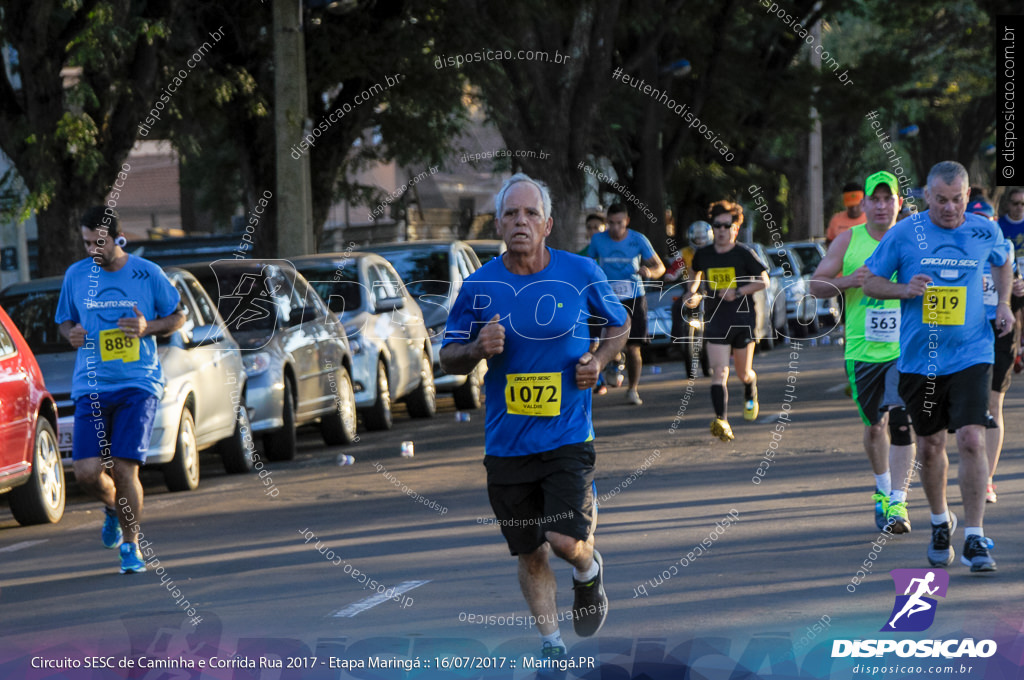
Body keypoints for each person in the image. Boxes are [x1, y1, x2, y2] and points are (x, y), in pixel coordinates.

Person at [440, 173, 629, 659]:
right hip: (506, 444)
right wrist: (477, 347)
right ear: (499, 224)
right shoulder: (479, 285)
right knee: (530, 551)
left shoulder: (581, 271)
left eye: (529, 214)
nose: (520, 221)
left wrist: (599, 362)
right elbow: (447, 355)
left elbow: (619, 324)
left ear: (548, 224)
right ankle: (551, 647)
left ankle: (589, 571)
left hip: (567, 434)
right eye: (510, 214)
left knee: (565, 541)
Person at [864, 161, 1013, 573]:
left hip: (972, 353)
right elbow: (870, 280)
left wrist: (1002, 303)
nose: (949, 209)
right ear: (927, 196)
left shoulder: (984, 229)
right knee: (930, 448)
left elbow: (1004, 258)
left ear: (968, 196)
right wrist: (902, 289)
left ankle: (974, 536)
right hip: (920, 359)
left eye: (957, 199)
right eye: (941, 200)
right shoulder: (905, 234)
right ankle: (938, 520)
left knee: (970, 438)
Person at [56, 207, 185, 574]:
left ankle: (131, 546)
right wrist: (72, 334)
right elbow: (64, 321)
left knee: (126, 468)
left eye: (97, 242)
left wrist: (148, 326)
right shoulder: (76, 275)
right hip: (91, 385)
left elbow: (179, 315)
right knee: (85, 472)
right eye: (85, 243)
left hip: (138, 383)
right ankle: (112, 506)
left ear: (116, 237)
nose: (91, 250)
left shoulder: (148, 273)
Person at [810, 171, 916, 533]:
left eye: (889, 199)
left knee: (901, 421)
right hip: (862, 349)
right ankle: (882, 489)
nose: (883, 205)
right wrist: (847, 281)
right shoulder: (847, 240)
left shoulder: (914, 238)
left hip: (906, 347)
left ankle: (898, 503)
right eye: (876, 199)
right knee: (875, 427)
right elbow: (815, 286)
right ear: (865, 204)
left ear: (898, 204)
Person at [683, 200, 769, 442]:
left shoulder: (743, 253)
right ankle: (722, 420)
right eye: (716, 225)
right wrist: (692, 292)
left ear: (735, 228)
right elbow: (695, 274)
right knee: (719, 371)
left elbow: (764, 281)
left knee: (743, 373)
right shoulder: (704, 254)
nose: (721, 230)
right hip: (716, 319)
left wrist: (738, 292)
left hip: (742, 319)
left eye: (725, 225)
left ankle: (750, 386)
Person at [968, 199, 1024, 505]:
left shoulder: (1004, 248)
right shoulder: (958, 250)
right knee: (966, 407)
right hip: (965, 331)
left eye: (986, 219)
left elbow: (1016, 286)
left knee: (993, 404)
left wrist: (1018, 289)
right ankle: (971, 467)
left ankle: (987, 478)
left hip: (1000, 331)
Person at [587, 203, 665, 405]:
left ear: (627, 222)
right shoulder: (598, 240)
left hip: (633, 296)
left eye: (619, 223)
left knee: (633, 348)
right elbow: (587, 265)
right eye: (611, 223)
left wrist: (649, 272)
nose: (615, 228)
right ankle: (609, 365)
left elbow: (659, 267)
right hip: (606, 296)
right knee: (595, 341)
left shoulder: (638, 239)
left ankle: (633, 389)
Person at [579, 213, 610, 394]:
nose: (592, 231)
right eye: (589, 227)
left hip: (610, 303)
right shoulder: (582, 256)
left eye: (596, 227)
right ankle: (598, 379)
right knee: (592, 344)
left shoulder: (610, 252)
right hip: (589, 306)